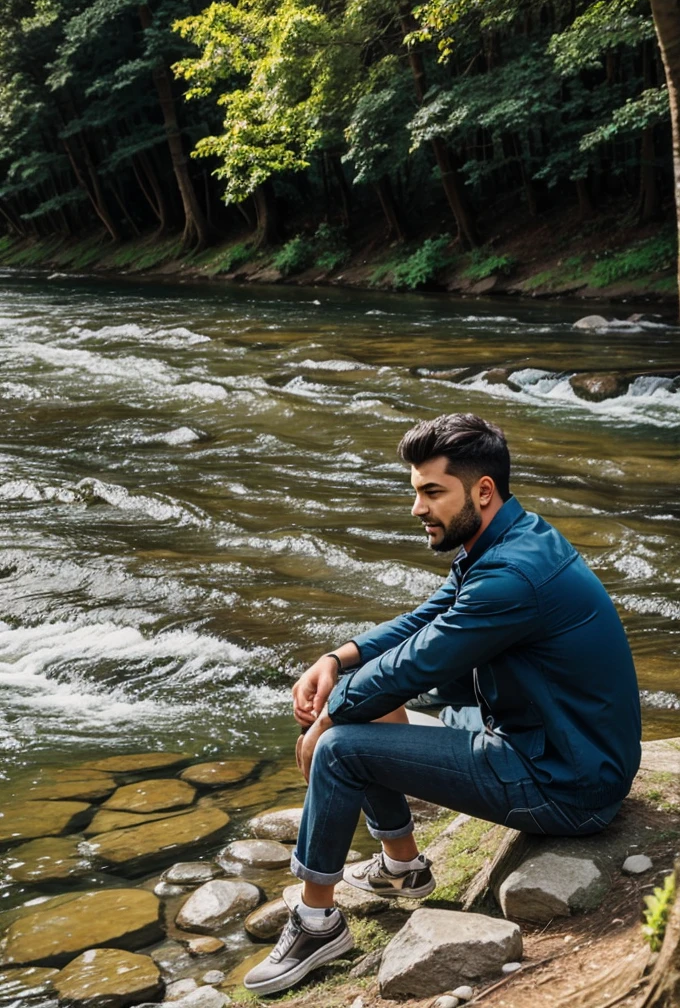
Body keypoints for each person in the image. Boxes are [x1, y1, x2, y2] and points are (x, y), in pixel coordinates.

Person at [243, 413, 641, 996]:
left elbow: (415, 665)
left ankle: (317, 923)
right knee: (364, 707)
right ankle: (402, 867)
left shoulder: (512, 577)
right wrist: (338, 658)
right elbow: (428, 616)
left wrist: (329, 717)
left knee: (341, 747)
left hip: (567, 784)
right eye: (416, 492)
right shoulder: (511, 537)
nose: (418, 508)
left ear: (482, 490)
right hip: (560, 752)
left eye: (432, 492)